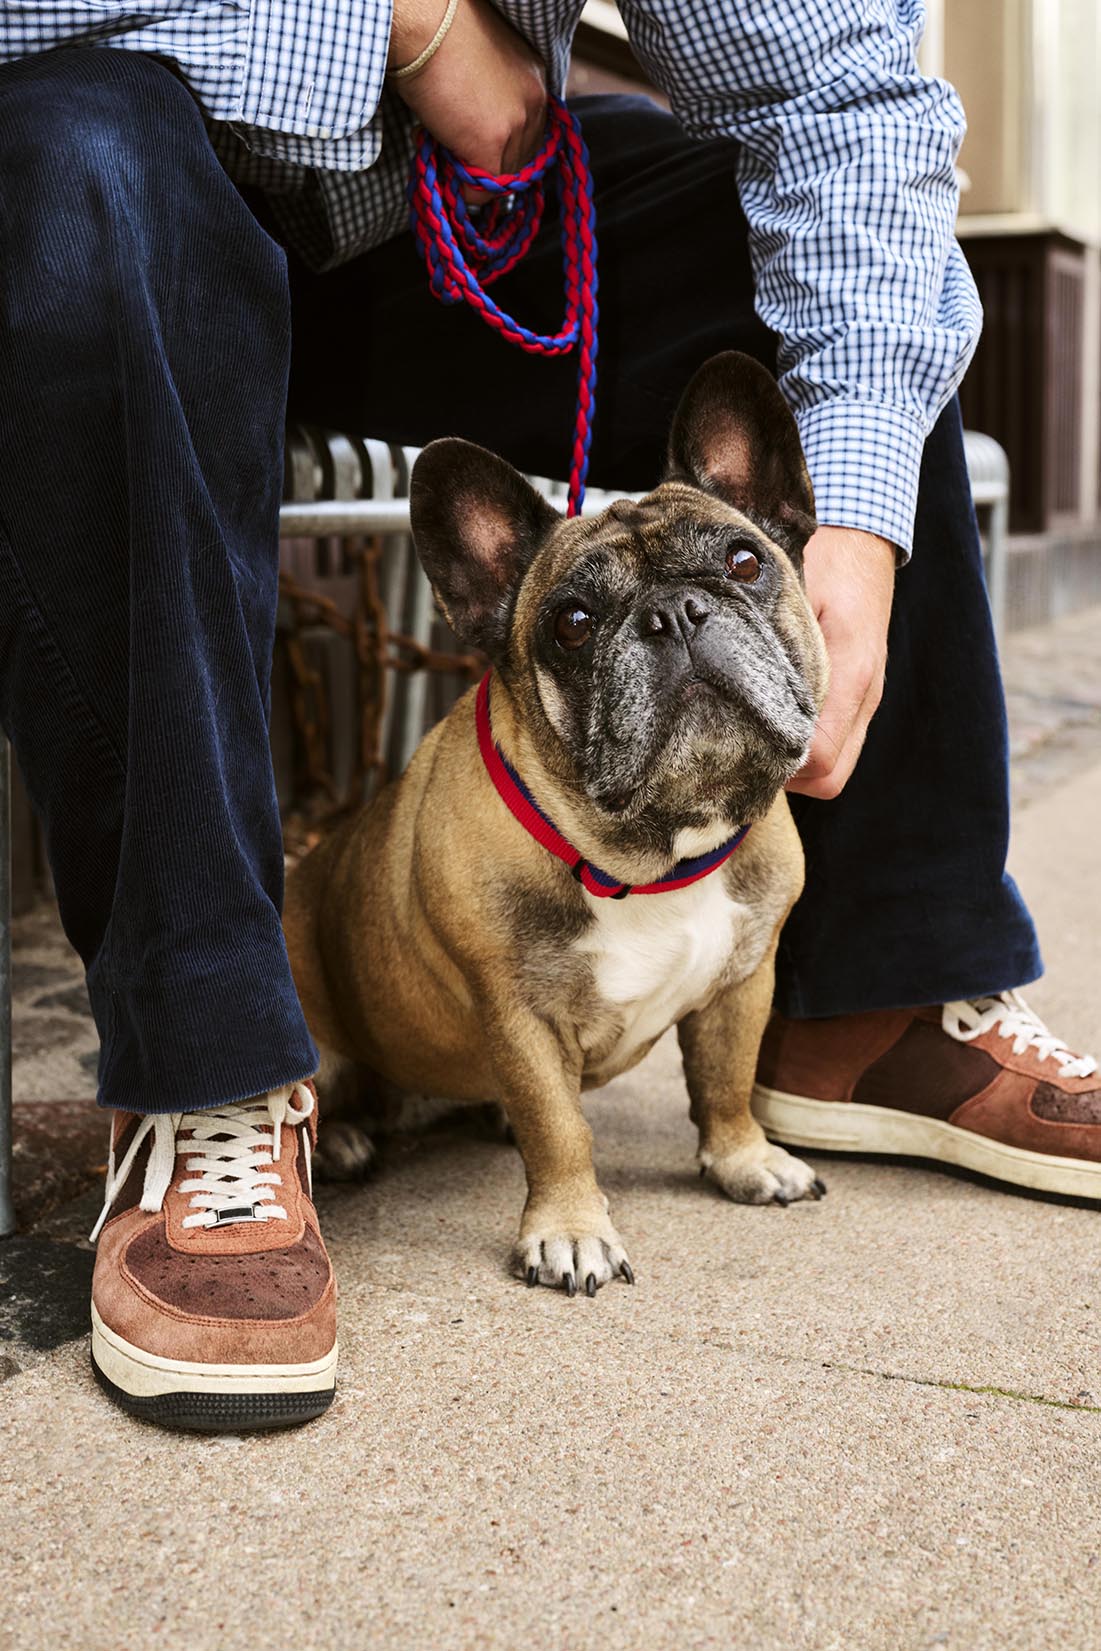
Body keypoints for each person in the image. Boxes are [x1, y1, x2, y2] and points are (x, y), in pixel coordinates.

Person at [1, 0, 1096, 1431]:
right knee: (79, 172)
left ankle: (877, 990)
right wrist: (405, 21)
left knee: (811, 251)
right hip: (113, 128)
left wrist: (856, 528)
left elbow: (831, 90)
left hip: (446, 206)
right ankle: (210, 1071)